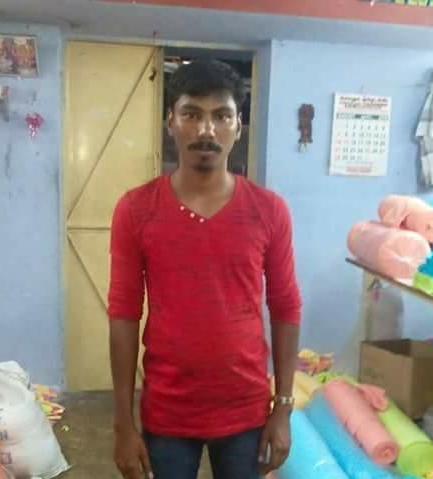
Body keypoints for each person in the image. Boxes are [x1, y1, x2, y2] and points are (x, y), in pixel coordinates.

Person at [108, 59, 301, 479]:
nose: (206, 130)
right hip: (167, 412)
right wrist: (123, 423)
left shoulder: (269, 210)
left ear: (238, 126)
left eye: (221, 116)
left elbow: (286, 307)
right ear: (171, 121)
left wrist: (283, 407)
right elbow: (123, 313)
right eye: (192, 114)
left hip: (247, 412)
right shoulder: (136, 209)